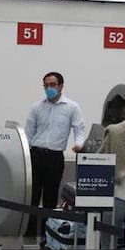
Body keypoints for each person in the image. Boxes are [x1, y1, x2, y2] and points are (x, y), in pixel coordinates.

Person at [24, 71, 87, 238]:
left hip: (54, 157)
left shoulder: (72, 107)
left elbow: (79, 128)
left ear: (61, 86)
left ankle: (47, 234)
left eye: (53, 85)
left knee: (50, 198)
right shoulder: (37, 107)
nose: (49, 88)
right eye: (46, 85)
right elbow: (28, 132)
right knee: (32, 196)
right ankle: (29, 233)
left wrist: (79, 144)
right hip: (36, 155)